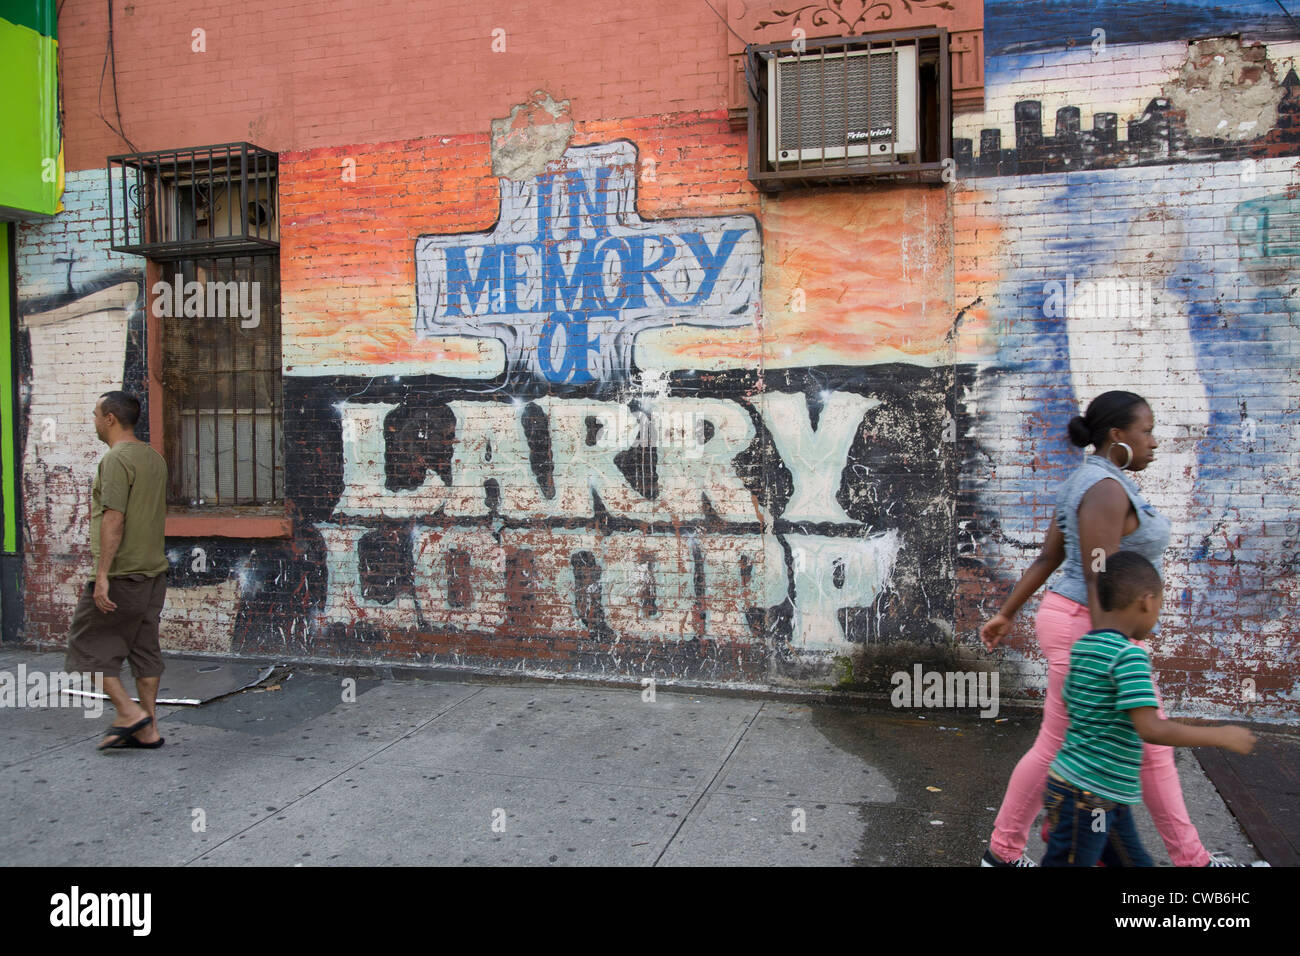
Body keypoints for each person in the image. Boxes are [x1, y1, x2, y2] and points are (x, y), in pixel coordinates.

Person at [980, 390, 1232, 867]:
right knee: (1148, 746)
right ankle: (1193, 862)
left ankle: (1002, 853)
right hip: (1090, 625)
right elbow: (1100, 575)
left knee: (1057, 742)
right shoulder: (1104, 488)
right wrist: (1111, 650)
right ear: (1118, 436)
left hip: (1077, 621)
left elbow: (1049, 558)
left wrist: (1007, 612)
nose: (1154, 442)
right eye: (1147, 430)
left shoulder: (1092, 481)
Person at [1041, 550, 1255, 866]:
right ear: (1147, 601)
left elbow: (1072, 703)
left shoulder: (1085, 647)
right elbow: (1151, 728)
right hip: (1092, 798)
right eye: (1161, 605)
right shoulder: (1129, 657)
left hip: (1093, 791)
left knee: (1133, 861)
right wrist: (1221, 736)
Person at [64, 391, 169, 750]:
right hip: (153, 573)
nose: (93, 421)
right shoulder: (154, 458)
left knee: (85, 647)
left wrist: (102, 575)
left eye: (95, 415)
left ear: (110, 418)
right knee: (144, 649)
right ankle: (149, 729)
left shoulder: (115, 460)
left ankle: (128, 712)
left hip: (123, 574)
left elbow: (115, 518)